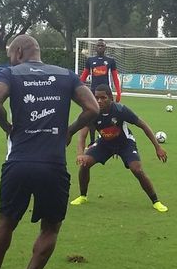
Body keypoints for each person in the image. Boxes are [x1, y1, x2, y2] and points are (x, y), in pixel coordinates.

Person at [0, 34, 98, 269]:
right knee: (50, 228)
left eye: (11, 53)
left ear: (20, 52)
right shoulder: (66, 75)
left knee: (6, 221)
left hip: (18, 163)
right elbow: (92, 108)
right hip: (52, 164)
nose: (10, 58)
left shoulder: (10, 73)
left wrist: (8, 129)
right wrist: (67, 132)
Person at [70, 84, 168, 212]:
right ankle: (83, 196)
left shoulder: (121, 110)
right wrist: (80, 154)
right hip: (105, 143)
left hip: (125, 143)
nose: (99, 101)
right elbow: (82, 135)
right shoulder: (92, 112)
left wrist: (158, 147)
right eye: (97, 97)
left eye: (103, 98)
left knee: (137, 169)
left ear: (111, 98)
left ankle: (156, 201)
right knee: (84, 164)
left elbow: (143, 125)